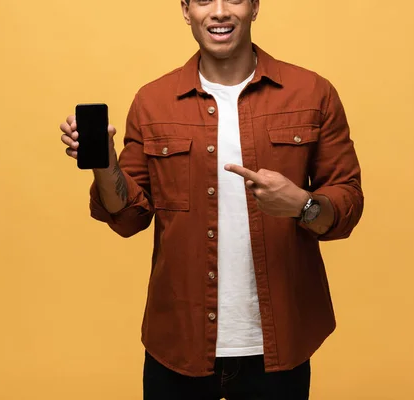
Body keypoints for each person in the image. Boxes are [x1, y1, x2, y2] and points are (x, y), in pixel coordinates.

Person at [59, 0, 363, 398]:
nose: (219, 11)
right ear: (186, 10)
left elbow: (347, 204)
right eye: (203, 0)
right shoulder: (153, 101)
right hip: (178, 343)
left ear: (255, 7)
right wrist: (104, 164)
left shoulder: (312, 92)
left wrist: (302, 205)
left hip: (280, 344)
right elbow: (129, 218)